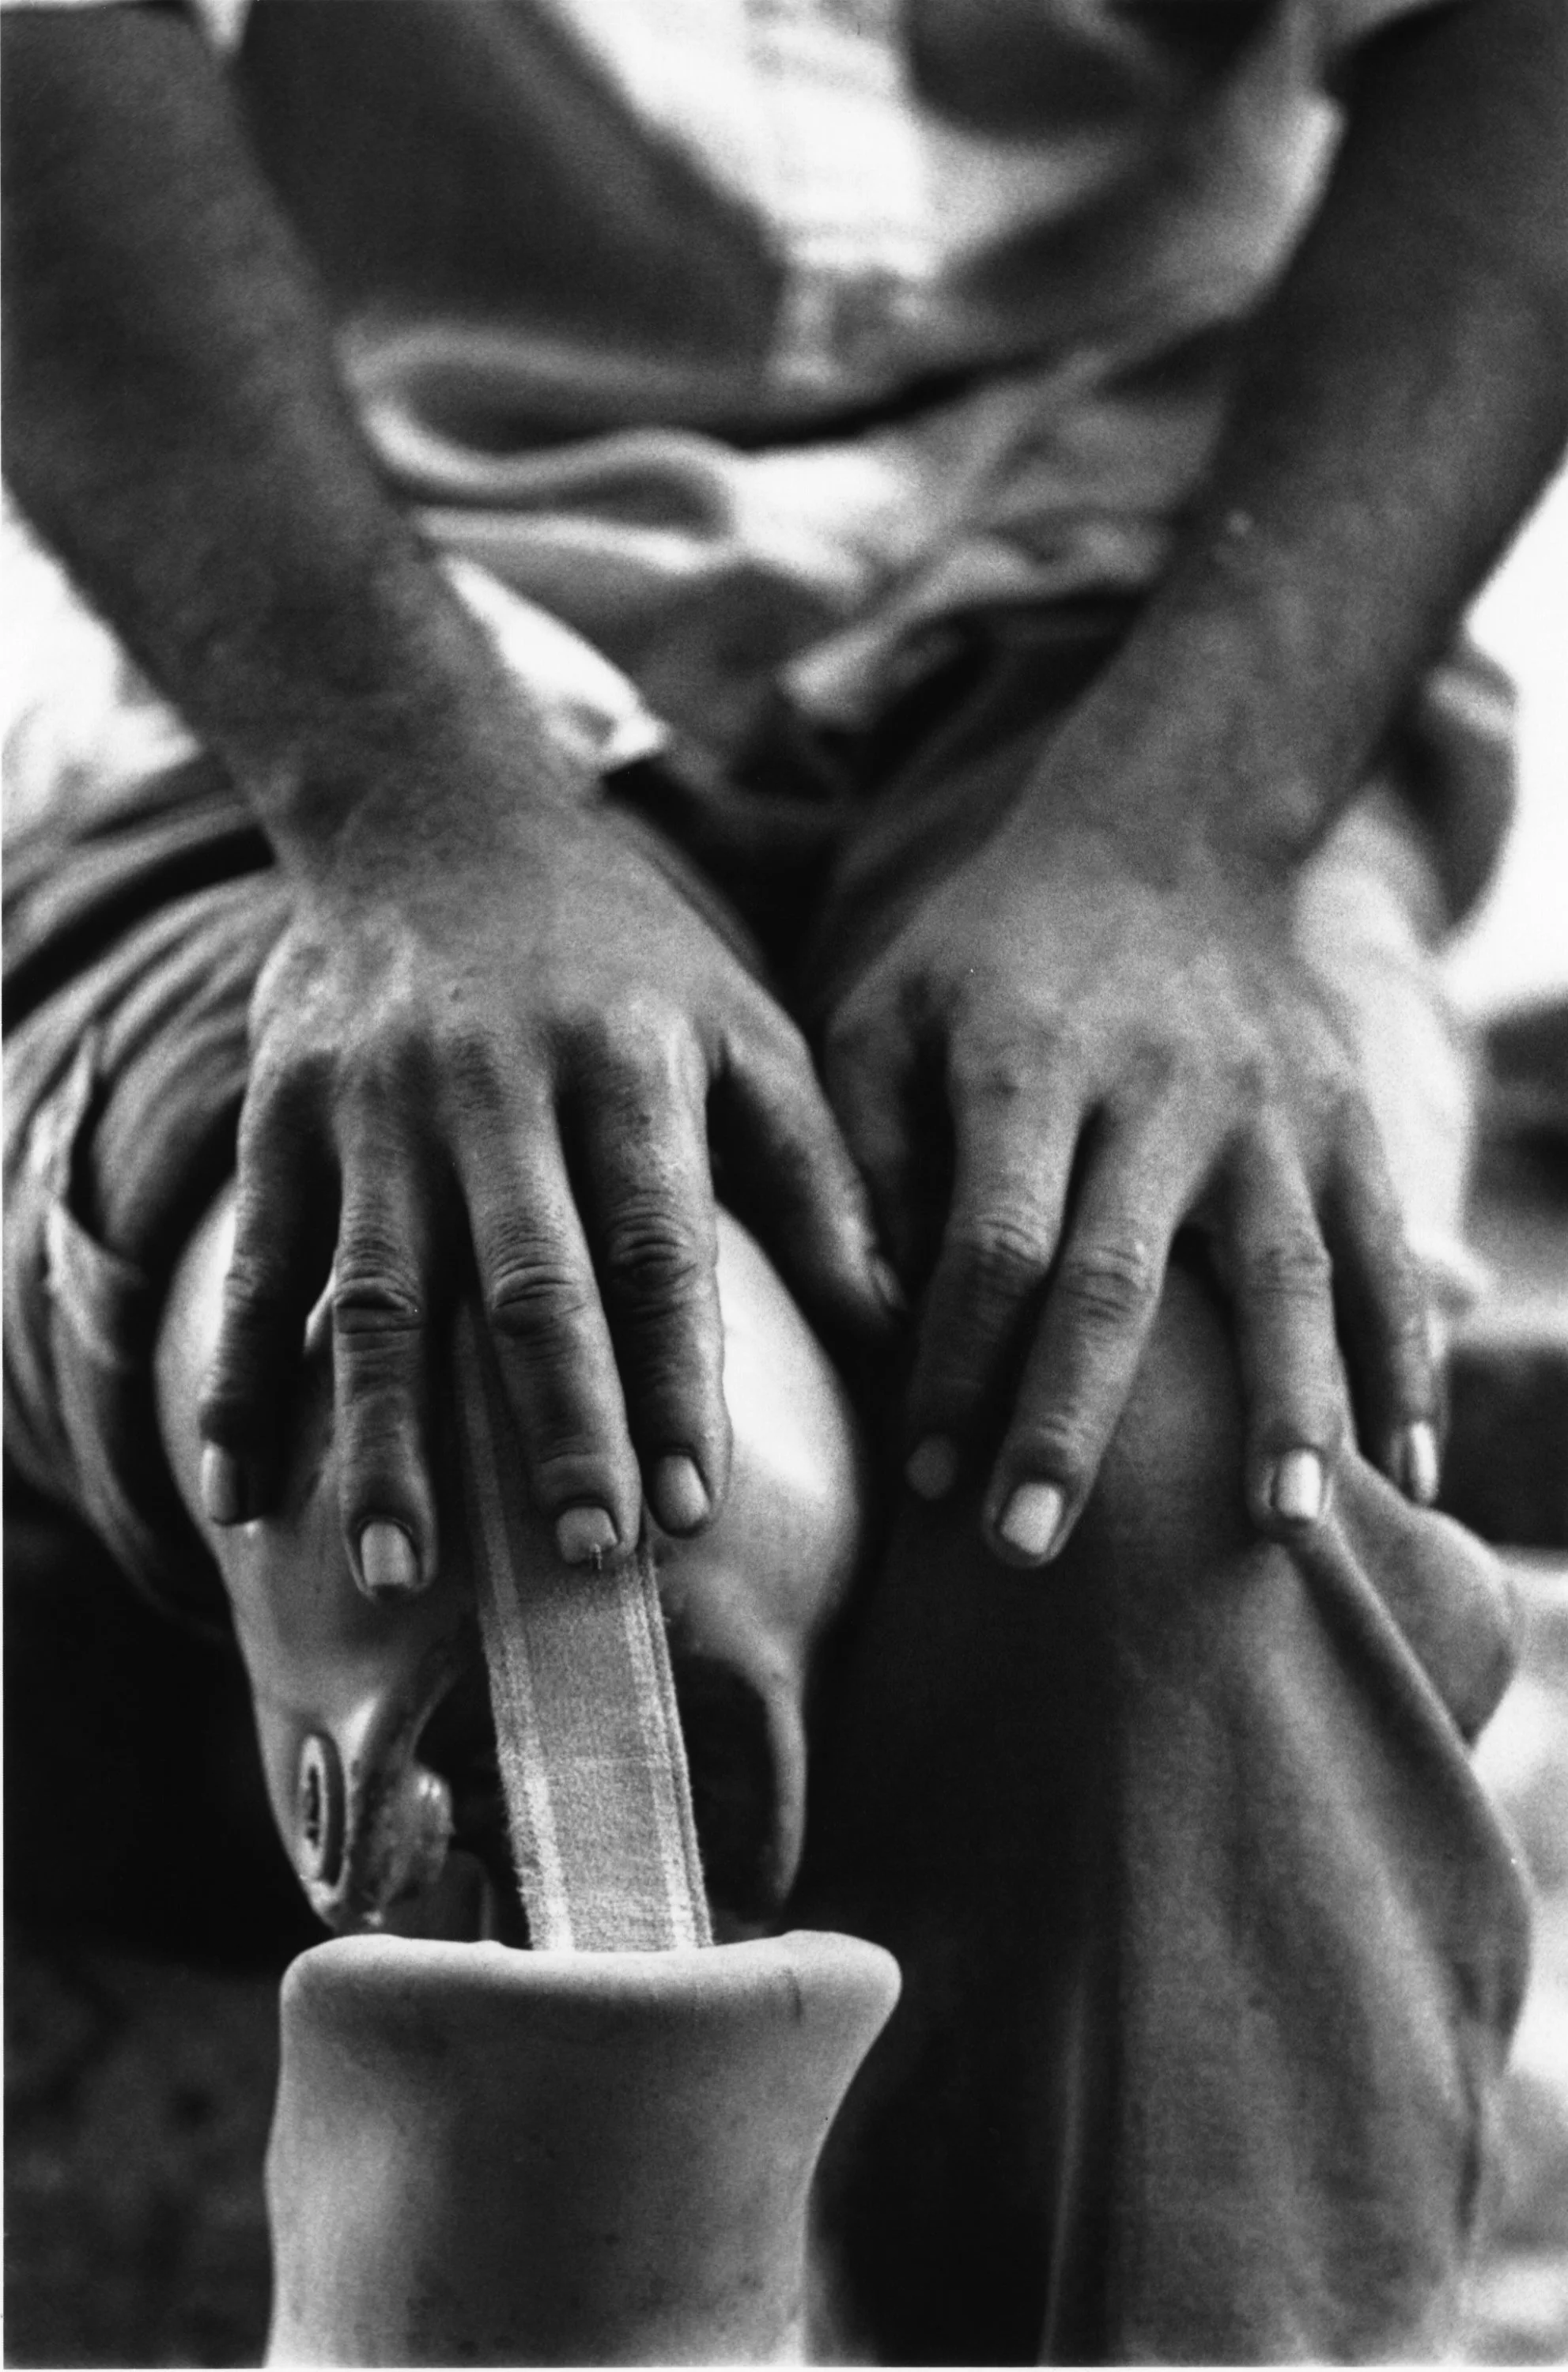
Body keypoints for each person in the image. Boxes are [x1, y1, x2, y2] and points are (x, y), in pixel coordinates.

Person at [3, 0, 1562, 2355]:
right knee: (579, 1492)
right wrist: (409, 816)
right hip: (281, 653)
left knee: (1177, 1449)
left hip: (1149, 634)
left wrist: (1179, 837)